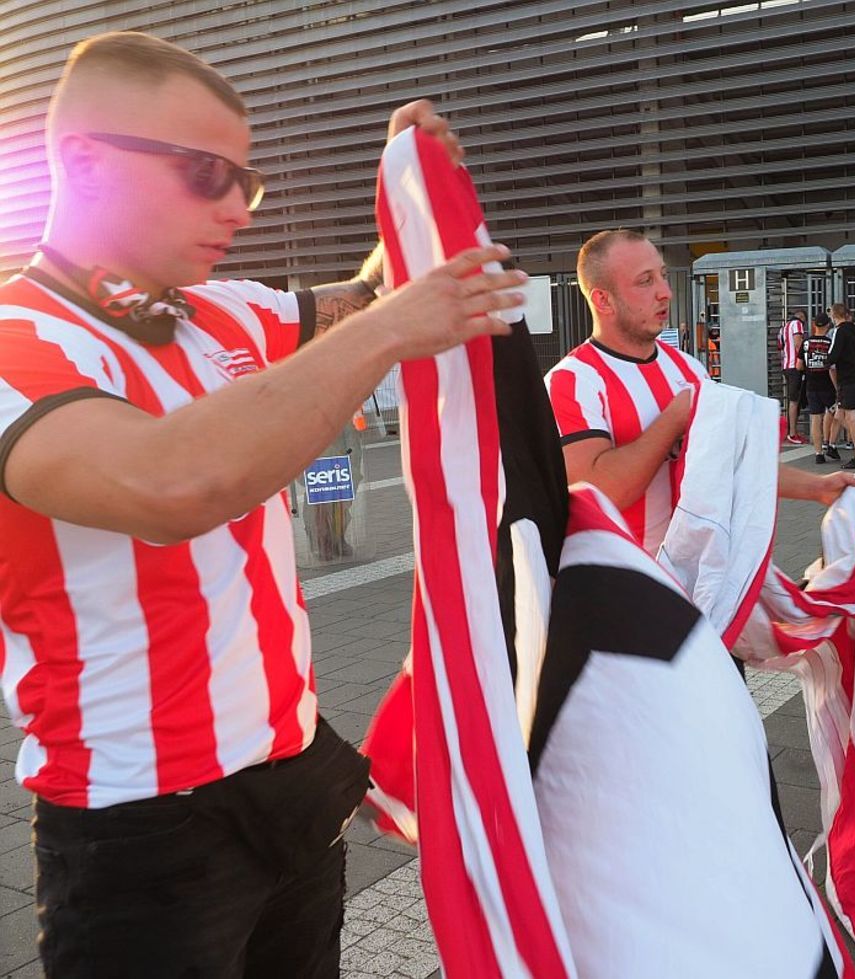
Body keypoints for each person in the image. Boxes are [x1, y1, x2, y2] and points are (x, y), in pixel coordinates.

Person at [0, 32, 525, 977]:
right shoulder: (18, 341)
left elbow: (369, 294)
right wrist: (393, 324)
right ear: (81, 161)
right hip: (139, 822)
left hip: (287, 776)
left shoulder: (215, 311)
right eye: (205, 173)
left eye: (250, 181)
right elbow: (172, 485)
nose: (238, 209)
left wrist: (409, 182)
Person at [544, 230, 855, 555]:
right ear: (602, 299)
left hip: (695, 579)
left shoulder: (688, 369)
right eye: (645, 281)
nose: (665, 292)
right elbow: (597, 494)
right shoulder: (571, 382)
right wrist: (673, 421)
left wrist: (818, 488)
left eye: (663, 276)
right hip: (620, 587)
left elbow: (732, 465)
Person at [826, 303, 855, 469]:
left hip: (846, 378)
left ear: (834, 315)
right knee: (840, 413)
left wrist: (824, 363)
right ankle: (838, 446)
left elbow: (833, 355)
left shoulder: (839, 331)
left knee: (850, 418)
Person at [802, 314, 838, 464]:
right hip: (827, 385)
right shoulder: (830, 343)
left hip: (811, 385)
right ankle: (830, 443)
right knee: (836, 412)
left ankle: (818, 453)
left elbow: (799, 365)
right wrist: (837, 387)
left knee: (815, 418)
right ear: (828, 326)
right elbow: (833, 367)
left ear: (814, 324)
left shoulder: (806, 343)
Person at [779, 307, 807, 443]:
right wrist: (805, 360)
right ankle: (792, 433)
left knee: (794, 400)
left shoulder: (784, 327)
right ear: (801, 317)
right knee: (794, 401)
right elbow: (798, 344)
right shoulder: (797, 324)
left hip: (786, 365)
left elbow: (781, 346)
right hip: (795, 366)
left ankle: (791, 431)